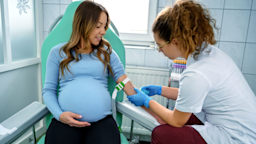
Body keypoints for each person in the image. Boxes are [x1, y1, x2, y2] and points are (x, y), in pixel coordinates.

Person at [127, 0, 256, 143]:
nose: (159, 50)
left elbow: (177, 121)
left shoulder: (197, 73)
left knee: (161, 133)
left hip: (238, 136)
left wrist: (147, 101)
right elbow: (191, 94)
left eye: (160, 45)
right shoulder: (206, 53)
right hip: (242, 123)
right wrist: (159, 90)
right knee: (173, 118)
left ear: (175, 42)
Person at [42, 1, 137, 144]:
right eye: (98, 26)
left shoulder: (107, 53)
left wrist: (145, 101)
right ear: (83, 24)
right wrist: (60, 115)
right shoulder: (57, 53)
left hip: (102, 122)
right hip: (65, 121)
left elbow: (123, 80)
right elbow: (48, 91)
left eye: (104, 26)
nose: (103, 32)